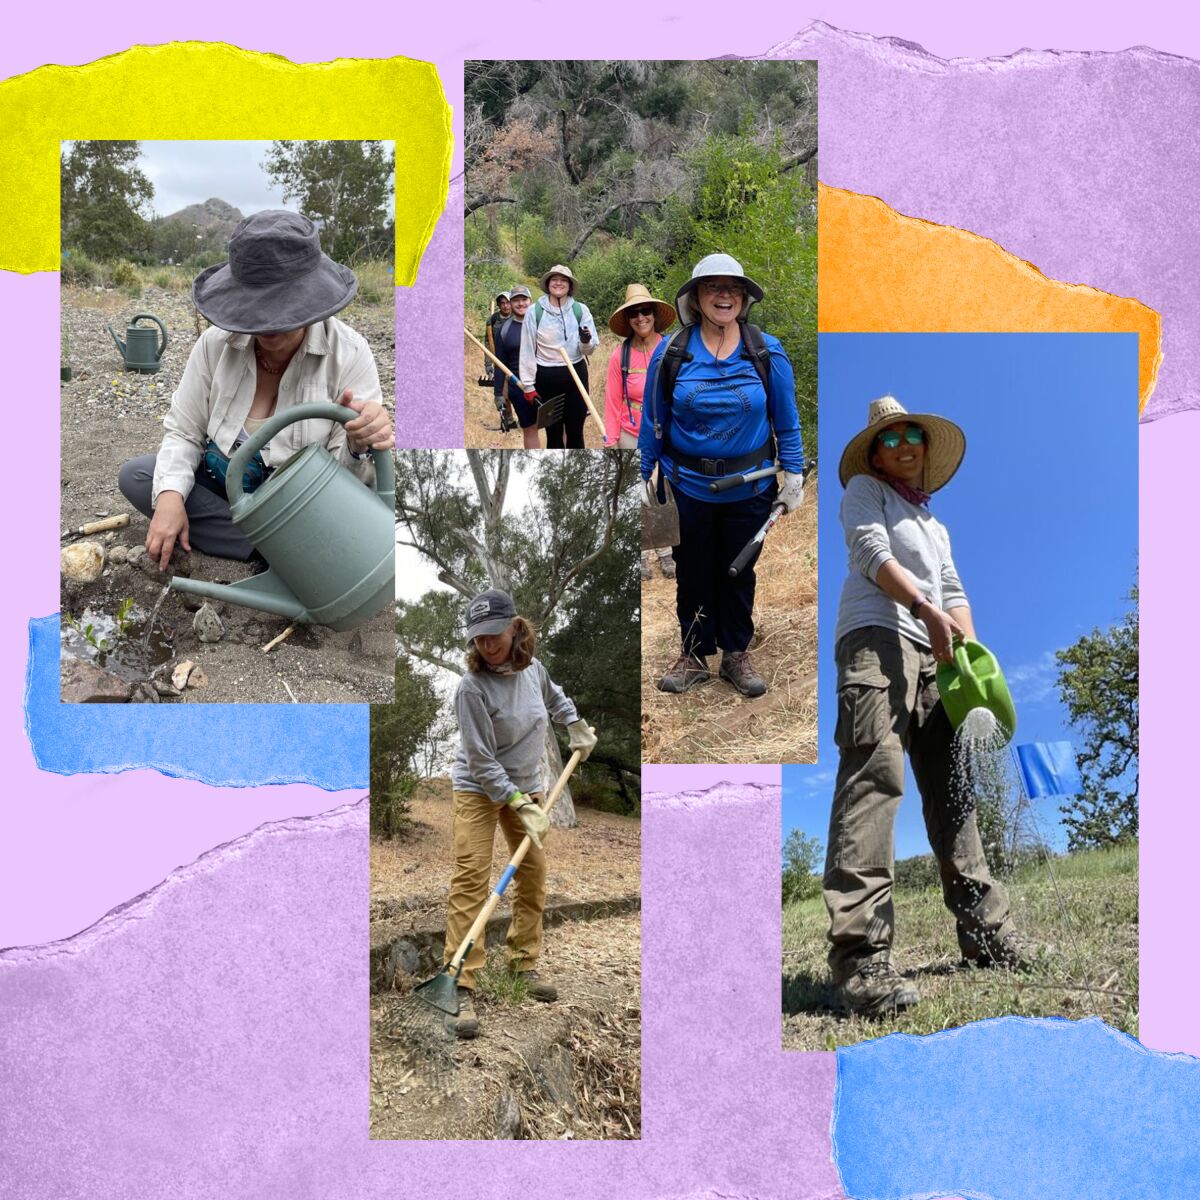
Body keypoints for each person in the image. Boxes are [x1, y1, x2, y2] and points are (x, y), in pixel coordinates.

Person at [823, 395, 1038, 1017]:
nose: (903, 446)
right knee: (875, 778)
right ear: (875, 454)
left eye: (911, 434)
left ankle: (987, 936)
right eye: (889, 440)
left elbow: (953, 590)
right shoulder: (865, 492)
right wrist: (924, 612)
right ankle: (862, 960)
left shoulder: (935, 524)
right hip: (875, 641)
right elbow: (870, 556)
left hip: (937, 656)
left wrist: (966, 648)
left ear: (924, 445)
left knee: (955, 790)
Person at [117, 210, 394, 570]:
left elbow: (346, 486)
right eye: (256, 305)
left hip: (303, 506)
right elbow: (183, 432)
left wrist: (360, 443)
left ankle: (266, 546)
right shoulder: (213, 345)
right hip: (225, 488)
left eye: (282, 305)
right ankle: (276, 553)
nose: (267, 322)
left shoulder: (350, 354)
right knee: (139, 477)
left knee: (353, 515)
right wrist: (170, 499)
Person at [638, 253, 806, 698]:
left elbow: (786, 422)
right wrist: (643, 473)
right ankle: (693, 654)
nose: (724, 295)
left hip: (750, 486)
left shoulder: (766, 350)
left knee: (739, 571)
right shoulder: (670, 353)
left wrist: (794, 476)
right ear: (696, 297)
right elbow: (653, 421)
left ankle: (735, 653)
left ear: (745, 299)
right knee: (692, 570)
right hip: (686, 486)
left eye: (733, 288)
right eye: (713, 287)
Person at [446, 589, 598, 1038]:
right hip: (479, 787)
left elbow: (555, 697)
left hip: (526, 786)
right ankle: (460, 981)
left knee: (532, 873)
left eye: (493, 634)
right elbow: (481, 760)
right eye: (477, 639)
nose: (486, 646)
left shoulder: (534, 671)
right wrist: (516, 803)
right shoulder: (471, 688)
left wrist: (574, 723)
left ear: (516, 627)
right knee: (472, 877)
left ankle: (522, 963)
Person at [604, 283, 677, 580]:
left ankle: (667, 551)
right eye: (634, 313)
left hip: (669, 435)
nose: (641, 317)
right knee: (639, 494)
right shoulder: (619, 357)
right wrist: (611, 438)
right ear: (628, 319)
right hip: (632, 434)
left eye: (646, 311)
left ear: (654, 314)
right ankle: (645, 554)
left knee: (664, 492)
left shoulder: (672, 348)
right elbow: (612, 399)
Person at [519, 264, 599, 449]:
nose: (559, 283)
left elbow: (589, 351)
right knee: (553, 433)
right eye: (554, 279)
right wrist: (529, 386)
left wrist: (585, 341)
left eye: (563, 280)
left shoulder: (581, 310)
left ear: (570, 286)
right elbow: (527, 349)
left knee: (576, 431)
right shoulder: (534, 311)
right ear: (548, 284)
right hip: (546, 377)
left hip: (576, 375)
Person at [492, 286, 540, 449]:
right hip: (519, 387)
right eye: (516, 300)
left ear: (530, 301)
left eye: (524, 299)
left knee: (557, 426)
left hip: (545, 381)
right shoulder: (504, 330)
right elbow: (499, 363)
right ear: (511, 303)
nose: (520, 304)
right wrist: (498, 393)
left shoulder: (542, 322)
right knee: (530, 429)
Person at [480, 290, 511, 386]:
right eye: (502, 303)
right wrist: (489, 365)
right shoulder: (493, 320)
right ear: (498, 304)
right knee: (500, 394)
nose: (505, 306)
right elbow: (488, 343)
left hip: (513, 359)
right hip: (498, 358)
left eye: (508, 303)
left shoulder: (517, 317)